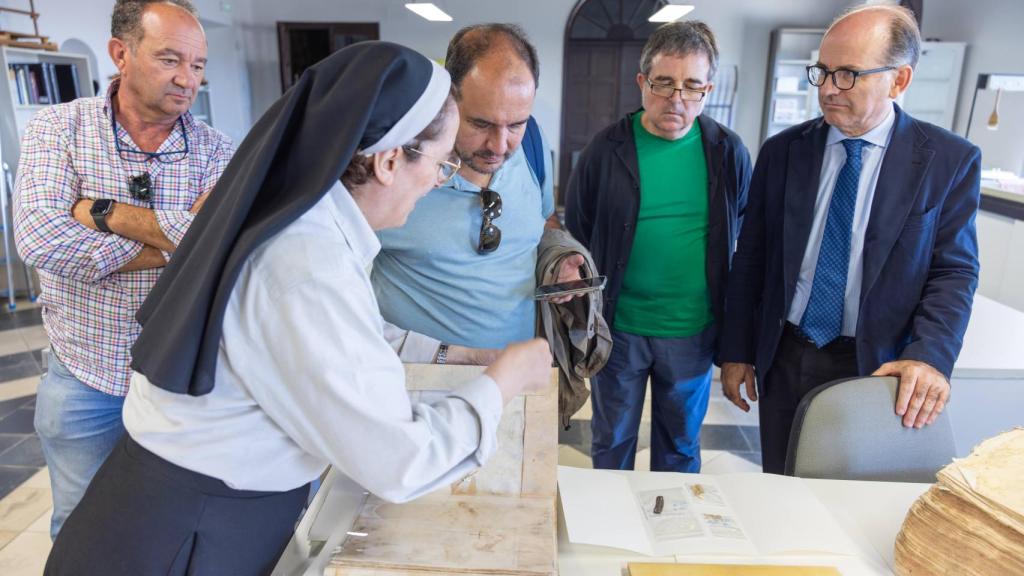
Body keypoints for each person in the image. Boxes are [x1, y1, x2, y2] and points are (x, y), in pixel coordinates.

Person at [43, 41, 552, 575]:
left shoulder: (302, 222)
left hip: (177, 508)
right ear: (389, 160)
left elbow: (350, 335)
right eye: (443, 163)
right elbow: (400, 460)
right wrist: (502, 383)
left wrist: (457, 353)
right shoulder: (308, 262)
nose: (437, 181)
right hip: (184, 533)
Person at [719, 5, 980, 473]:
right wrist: (737, 350)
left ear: (898, 81)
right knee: (782, 479)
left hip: (877, 366)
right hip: (786, 354)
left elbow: (953, 271)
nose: (827, 89)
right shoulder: (783, 152)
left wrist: (930, 356)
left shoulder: (947, 162)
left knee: (854, 497)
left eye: (847, 75)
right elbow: (751, 257)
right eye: (821, 72)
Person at [13, 0, 232, 538]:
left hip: (185, 377)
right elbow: (39, 238)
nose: (188, 79)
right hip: (86, 376)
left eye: (199, 65)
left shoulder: (216, 150)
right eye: (170, 59)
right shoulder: (59, 129)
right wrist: (174, 241)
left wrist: (102, 214)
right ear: (121, 54)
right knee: (83, 528)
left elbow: (224, 244)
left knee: (174, 527)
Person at [564, 21, 751, 472]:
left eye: (691, 87)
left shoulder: (727, 152)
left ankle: (674, 535)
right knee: (611, 441)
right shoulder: (604, 151)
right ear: (642, 82)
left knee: (682, 446)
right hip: (620, 329)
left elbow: (741, 236)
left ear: (707, 89)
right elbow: (580, 232)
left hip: (692, 331)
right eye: (664, 83)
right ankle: (610, 534)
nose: (677, 99)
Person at [372, 23, 584, 365]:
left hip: (511, 379)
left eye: (516, 124)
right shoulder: (399, 165)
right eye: (481, 124)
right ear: (449, 97)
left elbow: (544, 220)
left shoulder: (531, 145)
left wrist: (559, 256)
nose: (499, 146)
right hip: (415, 387)